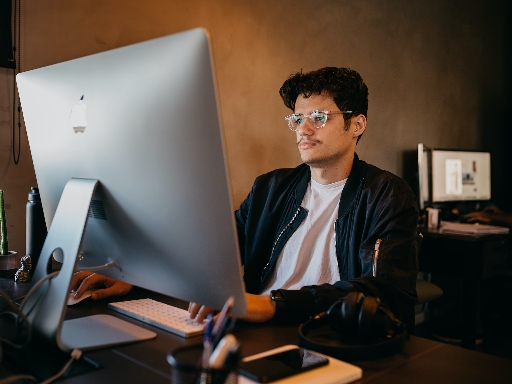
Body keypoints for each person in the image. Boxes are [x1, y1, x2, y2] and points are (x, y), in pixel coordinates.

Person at [72, 67, 419, 329]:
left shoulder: (386, 194)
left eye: (318, 117)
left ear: (357, 124)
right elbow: (215, 248)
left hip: (325, 334)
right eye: (298, 118)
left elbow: (388, 293)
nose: (303, 129)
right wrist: (136, 274)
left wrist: (272, 304)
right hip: (253, 327)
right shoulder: (271, 188)